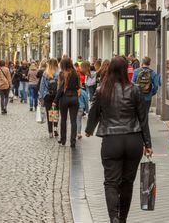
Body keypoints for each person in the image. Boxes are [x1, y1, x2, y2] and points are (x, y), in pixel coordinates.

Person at [85, 56, 153, 223]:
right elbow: (143, 118)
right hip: (133, 140)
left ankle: (113, 218)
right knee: (127, 182)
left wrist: (89, 130)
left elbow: (93, 111)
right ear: (125, 70)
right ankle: (122, 219)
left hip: (111, 141)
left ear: (110, 70)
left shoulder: (102, 90)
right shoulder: (135, 90)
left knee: (111, 182)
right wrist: (148, 144)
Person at [52, 58, 80, 147]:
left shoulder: (62, 74)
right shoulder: (76, 74)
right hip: (74, 98)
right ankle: (73, 141)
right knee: (73, 121)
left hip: (64, 99)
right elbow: (78, 86)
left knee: (63, 120)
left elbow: (60, 89)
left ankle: (63, 139)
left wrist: (55, 100)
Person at [39, 58, 60, 138]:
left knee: (49, 113)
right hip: (56, 96)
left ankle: (50, 131)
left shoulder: (45, 73)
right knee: (55, 112)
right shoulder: (58, 73)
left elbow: (42, 86)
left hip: (47, 95)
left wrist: (41, 97)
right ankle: (55, 128)